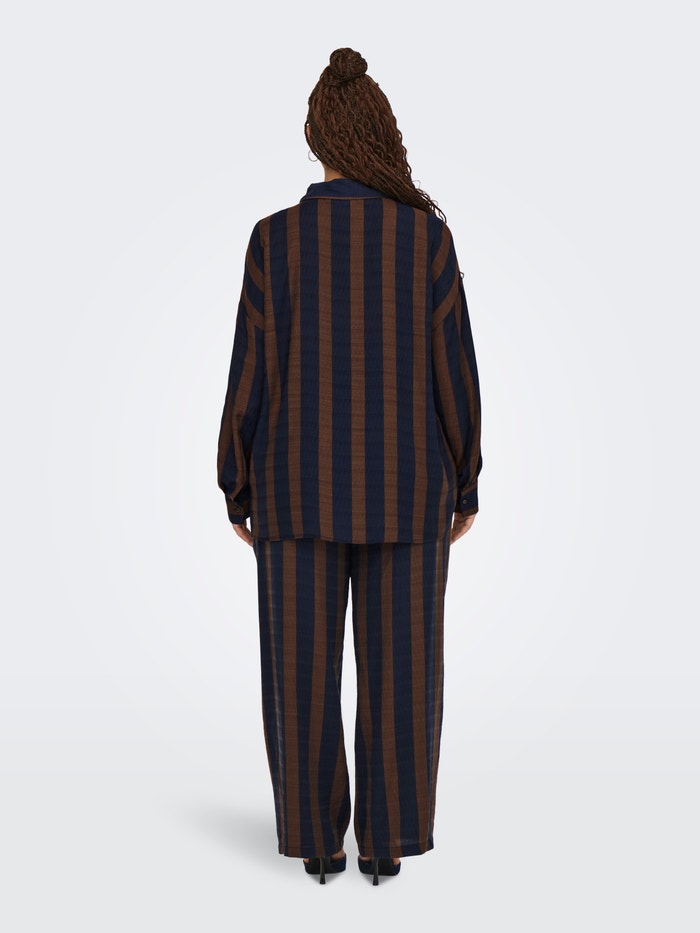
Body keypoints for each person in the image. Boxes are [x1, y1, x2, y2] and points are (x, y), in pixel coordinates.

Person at [216, 47, 483, 885]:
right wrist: (465, 479)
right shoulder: (426, 239)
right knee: (404, 676)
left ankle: (317, 845)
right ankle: (388, 842)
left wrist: (237, 482)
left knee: (297, 676)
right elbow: (455, 370)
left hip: (294, 492)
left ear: (315, 135)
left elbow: (249, 372)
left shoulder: (274, 240)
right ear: (381, 134)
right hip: (408, 491)